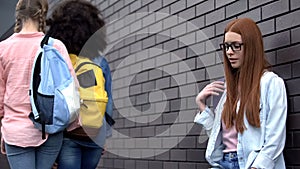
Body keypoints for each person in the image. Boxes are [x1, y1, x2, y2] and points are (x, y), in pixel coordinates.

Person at [194, 18, 287, 169]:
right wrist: (202, 106)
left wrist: (257, 167)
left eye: (236, 46)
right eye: (226, 46)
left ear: (251, 47)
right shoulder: (227, 90)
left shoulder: (270, 83)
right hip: (223, 163)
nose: (229, 52)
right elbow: (218, 138)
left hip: (252, 164)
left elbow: (275, 138)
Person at [0, 0, 76, 169]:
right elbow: (71, 91)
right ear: (42, 13)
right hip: (51, 128)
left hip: (16, 131)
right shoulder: (56, 46)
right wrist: (74, 125)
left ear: (18, 16)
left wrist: (3, 130)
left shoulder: (3, 49)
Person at [47, 0, 113, 169]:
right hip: (95, 135)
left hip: (68, 135)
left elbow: (52, 102)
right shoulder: (100, 62)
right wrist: (105, 136)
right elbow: (108, 102)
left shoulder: (59, 60)